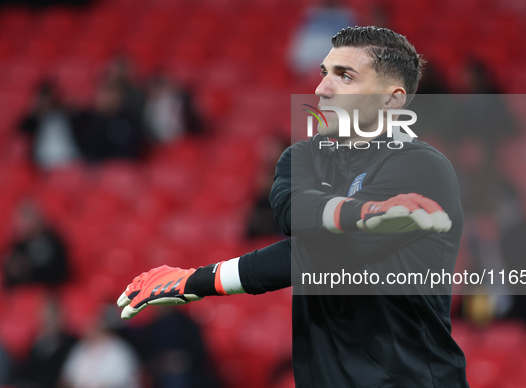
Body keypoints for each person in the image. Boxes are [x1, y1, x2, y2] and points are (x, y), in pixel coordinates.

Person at [117, 27, 468, 387]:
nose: (321, 89)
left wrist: (198, 279)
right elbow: (290, 214)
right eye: (324, 73)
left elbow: (325, 251)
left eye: (344, 76)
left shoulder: (423, 169)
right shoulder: (300, 158)